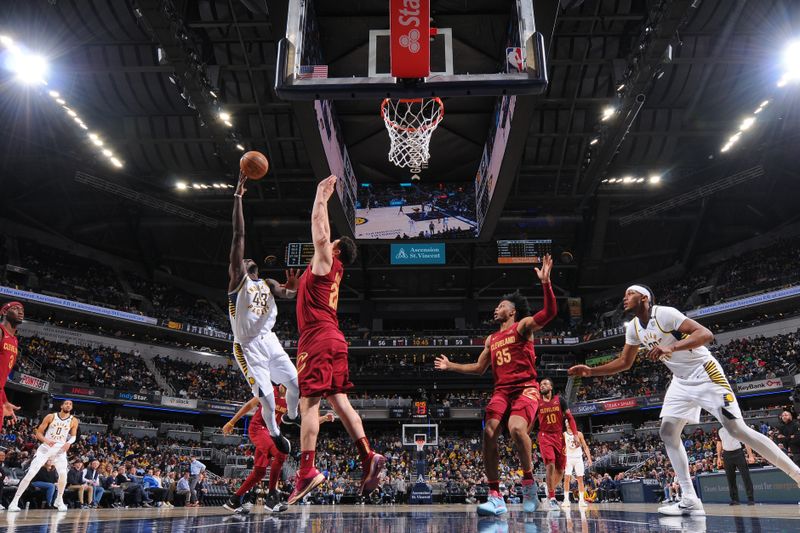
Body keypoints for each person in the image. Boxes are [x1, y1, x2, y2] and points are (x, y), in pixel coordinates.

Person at [568, 284, 800, 516]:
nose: (624, 297)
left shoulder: (665, 314)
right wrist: (591, 371)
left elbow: (706, 334)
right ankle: (689, 499)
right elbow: (624, 362)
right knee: (667, 431)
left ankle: (796, 475)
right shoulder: (634, 329)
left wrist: (671, 346)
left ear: (645, 297)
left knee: (736, 429)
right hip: (680, 380)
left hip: (704, 371)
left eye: (630, 293)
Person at [434, 254, 558, 515]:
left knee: (514, 428)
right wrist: (451, 365)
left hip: (526, 387)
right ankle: (495, 495)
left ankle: (528, 485)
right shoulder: (492, 338)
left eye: (500, 305)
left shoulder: (523, 327)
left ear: (512, 311)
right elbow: (479, 368)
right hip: (501, 391)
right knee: (489, 432)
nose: (496, 308)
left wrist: (546, 284)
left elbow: (549, 313)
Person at [290, 175, 385, 505]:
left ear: (336, 249)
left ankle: (307, 470)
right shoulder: (328, 274)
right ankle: (368, 454)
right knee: (340, 403)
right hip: (334, 338)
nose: (325, 243)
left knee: (309, 406)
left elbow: (319, 229)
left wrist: (321, 196)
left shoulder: (327, 259)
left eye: (330, 243)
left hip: (316, 338)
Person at [228, 172, 301, 455]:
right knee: (268, 399)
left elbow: (287, 294)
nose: (246, 258)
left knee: (295, 383)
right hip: (246, 346)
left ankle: (293, 417)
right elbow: (238, 235)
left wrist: (292, 290)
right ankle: (275, 432)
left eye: (247, 258)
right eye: (243, 259)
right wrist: (238, 197)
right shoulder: (237, 280)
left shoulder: (268, 283)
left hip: (268, 339)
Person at [223, 386, 336, 513]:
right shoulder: (269, 390)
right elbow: (250, 405)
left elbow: (304, 421)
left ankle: (234, 500)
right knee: (281, 452)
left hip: (271, 432)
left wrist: (324, 418)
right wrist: (231, 422)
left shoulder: (291, 400)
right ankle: (272, 498)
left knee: (259, 472)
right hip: (258, 428)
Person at [8, 400, 79, 512]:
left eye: (70, 404)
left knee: (63, 475)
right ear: (61, 405)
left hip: (60, 450)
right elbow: (38, 432)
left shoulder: (74, 420)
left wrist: (69, 443)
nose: (68, 405)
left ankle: (59, 500)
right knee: (30, 473)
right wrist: (46, 440)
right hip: (46, 448)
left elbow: (74, 436)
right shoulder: (51, 416)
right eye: (66, 403)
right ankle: (14, 501)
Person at [536, 378, 579, 510]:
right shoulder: (537, 402)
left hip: (559, 436)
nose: (542, 385)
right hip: (544, 435)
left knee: (560, 469)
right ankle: (553, 497)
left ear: (551, 387)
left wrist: (576, 434)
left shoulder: (560, 400)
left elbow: (570, 418)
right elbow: (531, 420)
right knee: (550, 464)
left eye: (545, 383)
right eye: (541, 384)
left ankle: (549, 495)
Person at [716, 426, 756, 505]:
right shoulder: (719, 429)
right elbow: (719, 443)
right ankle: (735, 499)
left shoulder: (736, 426)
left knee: (745, 476)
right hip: (727, 454)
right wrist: (718, 457)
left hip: (738, 452)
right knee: (730, 478)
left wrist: (750, 455)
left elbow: (746, 441)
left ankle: (750, 498)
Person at [0, 301, 23, 425]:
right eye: (15, 309)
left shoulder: (14, 340)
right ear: (4, 312)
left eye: (22, 310)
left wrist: (4, 401)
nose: (20, 312)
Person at [562, 423, 593, 508]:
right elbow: (561, 448)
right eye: (567, 422)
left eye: (569, 421)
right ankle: (566, 500)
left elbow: (585, 446)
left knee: (580, 479)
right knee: (567, 478)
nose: (568, 423)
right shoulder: (564, 434)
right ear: (565, 424)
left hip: (578, 458)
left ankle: (582, 500)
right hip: (568, 458)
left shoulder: (579, 434)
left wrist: (589, 458)